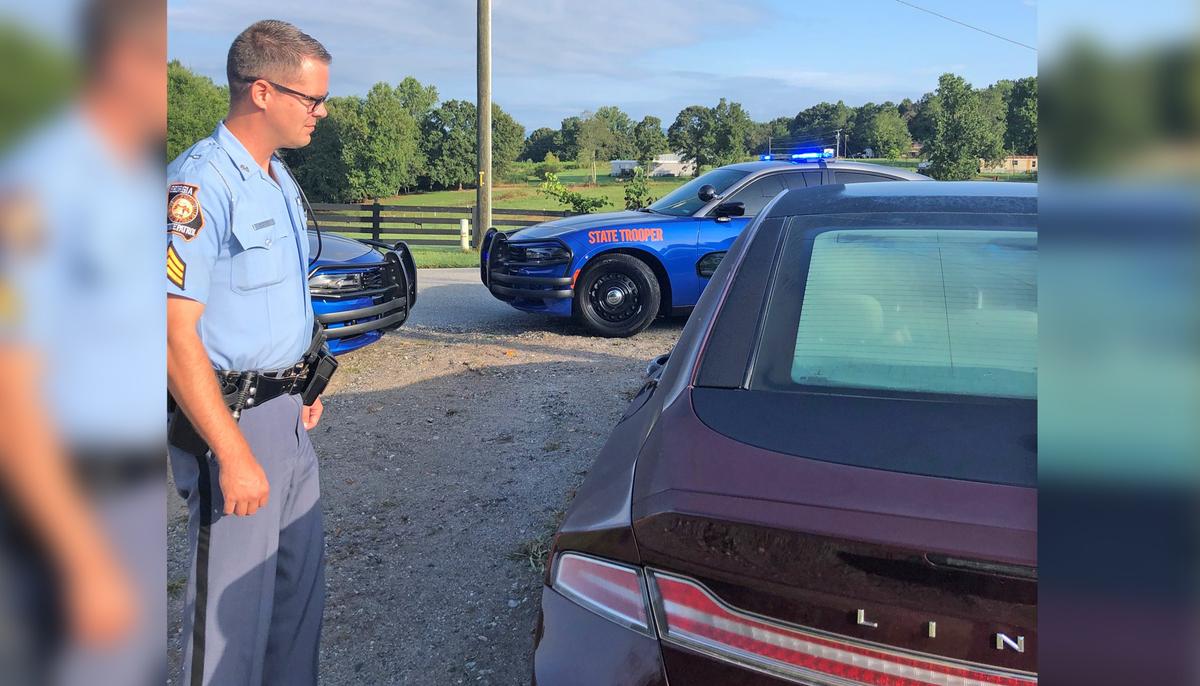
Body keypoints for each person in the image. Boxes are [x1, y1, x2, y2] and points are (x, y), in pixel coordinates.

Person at [0, 0, 166, 684]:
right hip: (77, 501)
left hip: (136, 492)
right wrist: (83, 559)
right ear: (125, 62)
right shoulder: (42, 183)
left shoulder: (136, 180)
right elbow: (12, 382)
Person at [166, 20, 332, 685]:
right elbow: (172, 333)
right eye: (311, 99)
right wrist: (232, 455)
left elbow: (282, 297)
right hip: (231, 427)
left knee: (295, 609)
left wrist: (302, 384)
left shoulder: (277, 177)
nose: (321, 112)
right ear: (262, 91)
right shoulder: (201, 184)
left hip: (287, 417)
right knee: (227, 628)